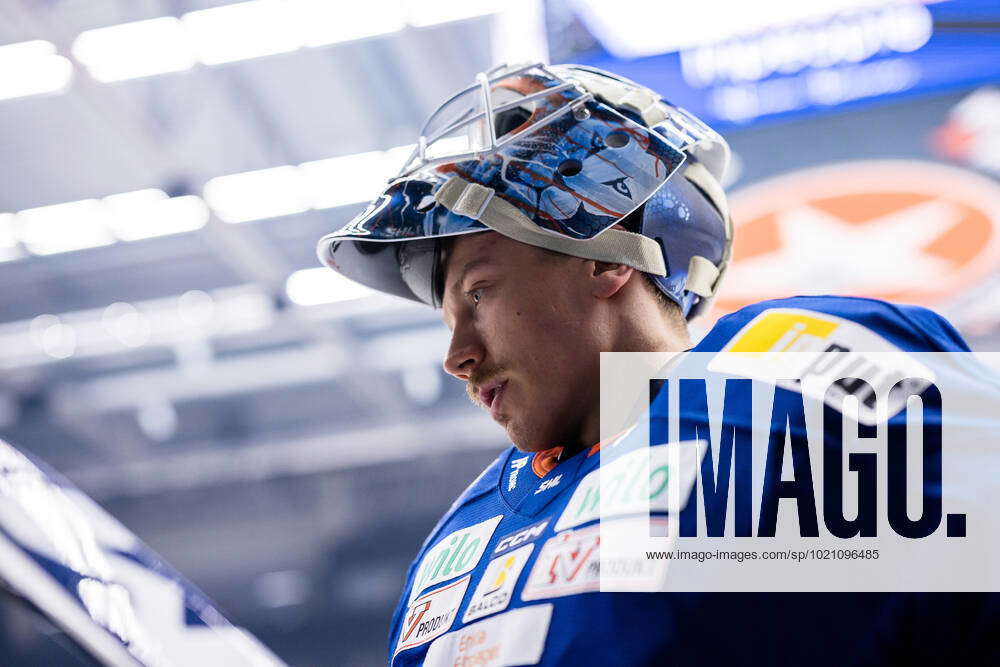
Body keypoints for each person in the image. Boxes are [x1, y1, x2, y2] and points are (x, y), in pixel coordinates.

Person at [317, 63, 998, 666]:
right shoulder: (453, 545)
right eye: (447, 316)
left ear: (610, 255)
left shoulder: (793, 374)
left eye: (480, 293)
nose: (456, 354)